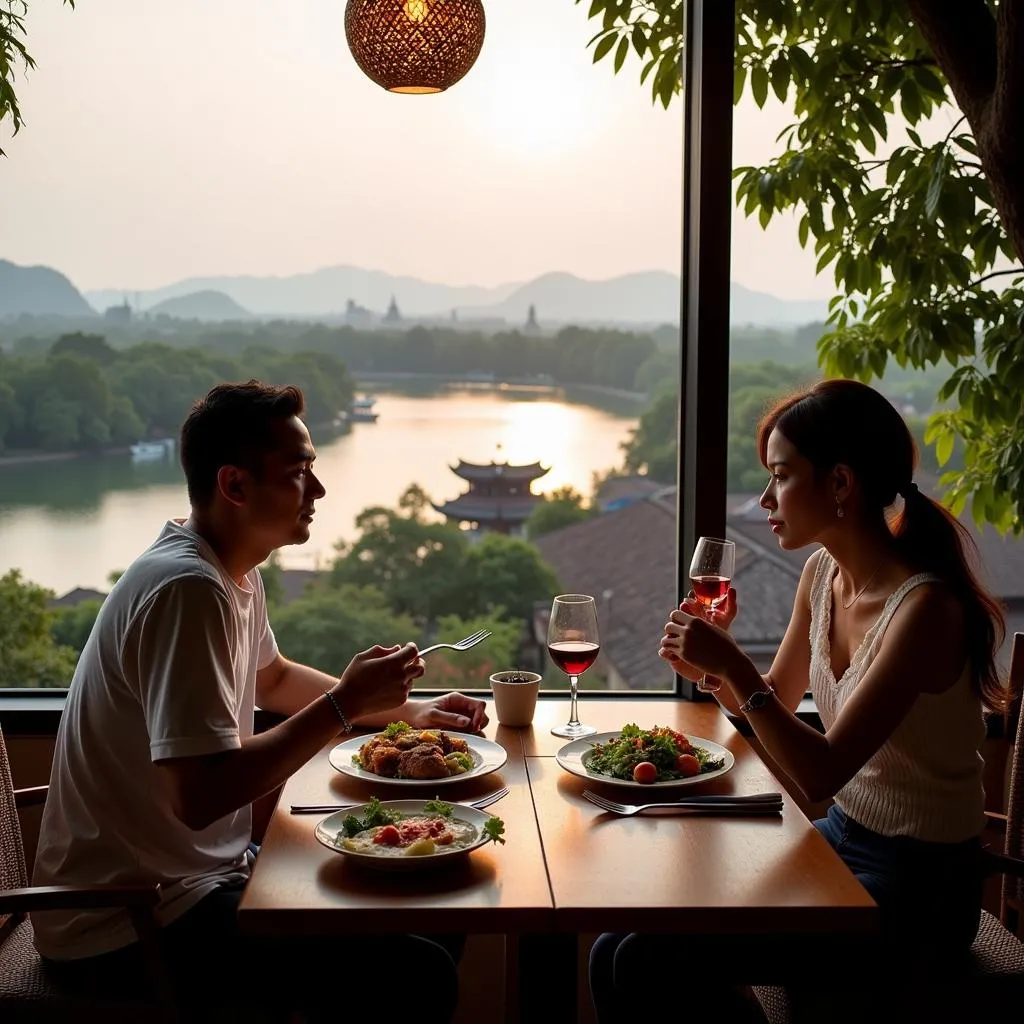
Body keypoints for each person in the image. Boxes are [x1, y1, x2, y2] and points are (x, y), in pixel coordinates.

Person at [31, 380, 488, 1023]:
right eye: (299, 473)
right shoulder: (189, 590)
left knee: (429, 908)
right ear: (235, 485)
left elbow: (271, 680)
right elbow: (200, 797)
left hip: (195, 883)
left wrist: (406, 712)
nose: (319, 492)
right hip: (129, 922)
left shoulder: (229, 571)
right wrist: (345, 706)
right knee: (416, 967)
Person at [589, 378, 1008, 1023]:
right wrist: (717, 672)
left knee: (646, 955)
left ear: (840, 484)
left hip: (921, 887)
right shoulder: (823, 574)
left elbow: (820, 771)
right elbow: (776, 700)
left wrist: (733, 667)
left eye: (780, 477)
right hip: (842, 839)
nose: (763, 500)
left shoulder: (924, 611)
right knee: (612, 947)